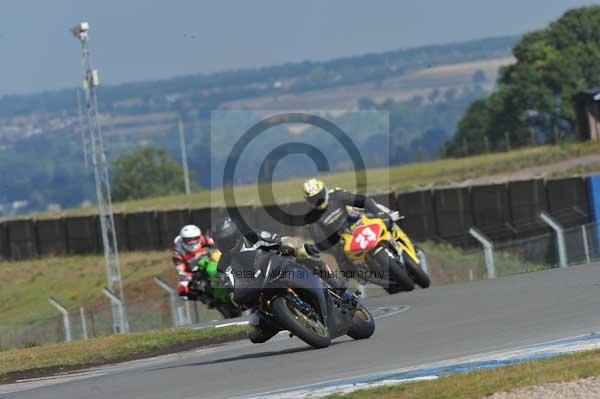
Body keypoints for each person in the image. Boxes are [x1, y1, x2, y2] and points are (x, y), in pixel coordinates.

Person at [211, 216, 335, 343]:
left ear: (237, 236)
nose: (224, 246)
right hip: (259, 290)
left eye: (227, 241)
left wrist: (287, 246)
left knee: (302, 251)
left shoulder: (254, 237)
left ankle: (332, 279)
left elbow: (284, 240)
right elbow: (232, 291)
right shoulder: (223, 265)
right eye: (220, 243)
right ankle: (289, 321)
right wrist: (238, 296)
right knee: (254, 333)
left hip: (281, 269)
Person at [302, 178, 389, 281]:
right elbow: (318, 238)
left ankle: (396, 238)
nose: (319, 200)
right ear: (308, 200)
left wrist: (378, 212)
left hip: (358, 221)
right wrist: (332, 248)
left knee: (383, 217)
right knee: (344, 265)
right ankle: (362, 275)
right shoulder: (310, 216)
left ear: (324, 190)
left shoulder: (337, 194)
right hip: (341, 239)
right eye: (314, 199)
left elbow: (362, 201)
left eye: (319, 196)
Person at [172, 224, 215, 301]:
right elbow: (181, 271)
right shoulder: (177, 253)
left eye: (195, 238)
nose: (192, 242)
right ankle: (204, 298)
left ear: (198, 237)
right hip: (191, 270)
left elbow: (213, 242)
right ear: (183, 240)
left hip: (204, 260)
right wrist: (191, 276)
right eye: (188, 240)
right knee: (182, 291)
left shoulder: (202, 239)